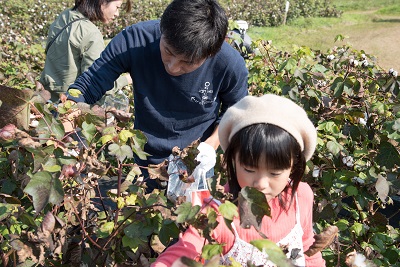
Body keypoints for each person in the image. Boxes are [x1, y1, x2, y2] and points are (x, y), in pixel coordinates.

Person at [66, 0, 249, 192]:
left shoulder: (229, 63)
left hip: (196, 164)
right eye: (168, 52)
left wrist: (210, 146)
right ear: (162, 30)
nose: (172, 67)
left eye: (187, 63)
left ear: (210, 54)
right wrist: (66, 133)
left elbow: (235, 110)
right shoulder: (135, 40)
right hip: (143, 162)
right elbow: (89, 84)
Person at [151, 94, 326, 267]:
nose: (261, 183)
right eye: (249, 169)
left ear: (293, 166)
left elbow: (308, 251)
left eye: (275, 173)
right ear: (233, 161)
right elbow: (185, 250)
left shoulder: (300, 196)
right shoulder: (218, 214)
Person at [40, 0, 133, 103]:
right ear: (102, 2)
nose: (117, 14)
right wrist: (127, 79)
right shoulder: (91, 34)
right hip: (69, 105)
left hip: (46, 100)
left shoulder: (65, 16)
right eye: (117, 7)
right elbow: (95, 83)